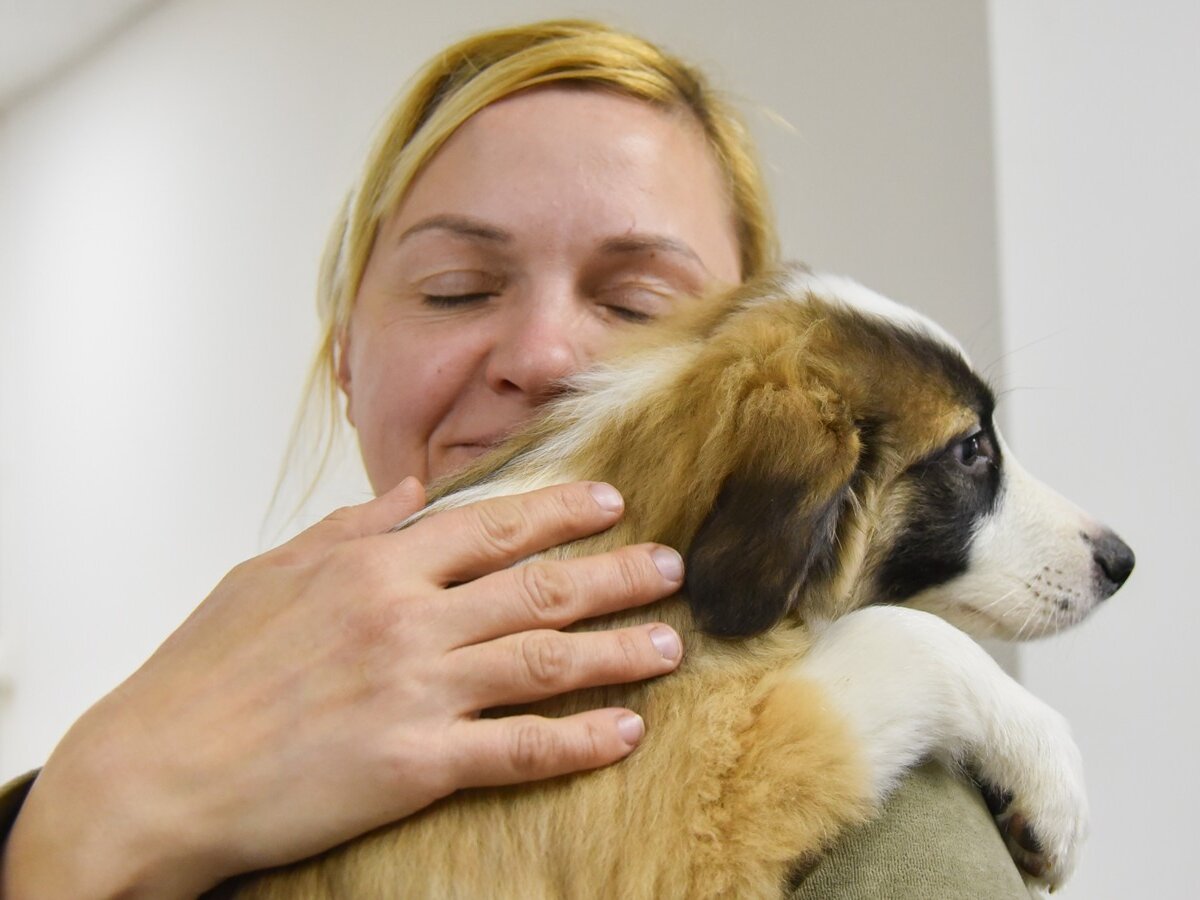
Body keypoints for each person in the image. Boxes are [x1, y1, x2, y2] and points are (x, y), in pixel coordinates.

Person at [0, 19, 1028, 899]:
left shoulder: (882, 807)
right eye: (455, 288)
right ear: (344, 358)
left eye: (639, 310)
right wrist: (82, 819)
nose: (543, 360)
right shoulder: (106, 789)